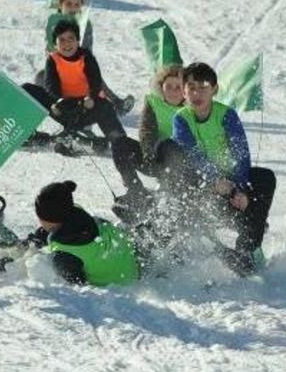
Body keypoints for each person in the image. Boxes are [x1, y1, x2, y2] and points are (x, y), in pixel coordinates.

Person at [169, 62, 276, 275]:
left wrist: (240, 188)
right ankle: (203, 249)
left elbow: (241, 153)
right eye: (191, 87)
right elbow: (193, 155)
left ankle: (247, 248)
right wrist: (215, 181)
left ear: (214, 89)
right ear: (184, 91)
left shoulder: (226, 114)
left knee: (265, 177)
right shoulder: (181, 118)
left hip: (231, 181)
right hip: (202, 182)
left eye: (203, 87)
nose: (197, 93)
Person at [23, 20, 127, 146]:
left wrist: (90, 97)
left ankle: (119, 142)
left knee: (105, 106)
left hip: (84, 107)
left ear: (78, 41)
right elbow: (51, 85)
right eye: (62, 40)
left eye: (70, 39)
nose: (67, 43)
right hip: (61, 107)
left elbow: (95, 82)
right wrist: (57, 101)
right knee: (27, 90)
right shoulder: (53, 60)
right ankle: (25, 134)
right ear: (55, 44)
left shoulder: (86, 57)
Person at [42, 0, 133, 114]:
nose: (73, 8)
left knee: (93, 76)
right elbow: (49, 44)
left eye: (77, 5)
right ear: (60, 5)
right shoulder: (54, 20)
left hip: (78, 61)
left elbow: (87, 47)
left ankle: (116, 103)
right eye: (68, 4)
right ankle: (56, 106)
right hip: (59, 63)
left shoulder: (84, 22)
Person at [30, 180, 139, 286]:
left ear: (48, 219)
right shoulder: (78, 215)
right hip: (130, 262)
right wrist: (31, 241)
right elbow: (50, 229)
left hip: (120, 287)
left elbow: (77, 291)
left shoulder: (63, 255)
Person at [111, 64, 186, 205]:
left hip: (182, 165)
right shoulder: (154, 101)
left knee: (170, 147)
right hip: (155, 157)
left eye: (178, 87)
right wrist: (148, 152)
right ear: (161, 87)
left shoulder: (192, 106)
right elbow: (147, 129)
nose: (173, 91)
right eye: (169, 86)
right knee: (120, 144)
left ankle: (170, 199)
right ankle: (136, 192)